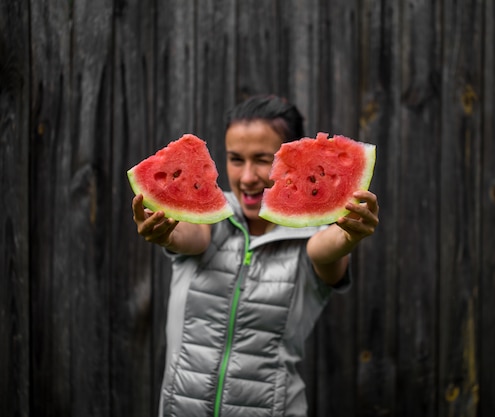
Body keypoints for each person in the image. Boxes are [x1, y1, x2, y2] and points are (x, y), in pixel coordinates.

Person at [132, 95, 379, 417]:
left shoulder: (311, 236)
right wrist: (166, 233)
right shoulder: (210, 222)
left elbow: (324, 250)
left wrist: (348, 234)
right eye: (236, 159)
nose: (247, 177)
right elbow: (189, 238)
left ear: (294, 160)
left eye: (263, 159)